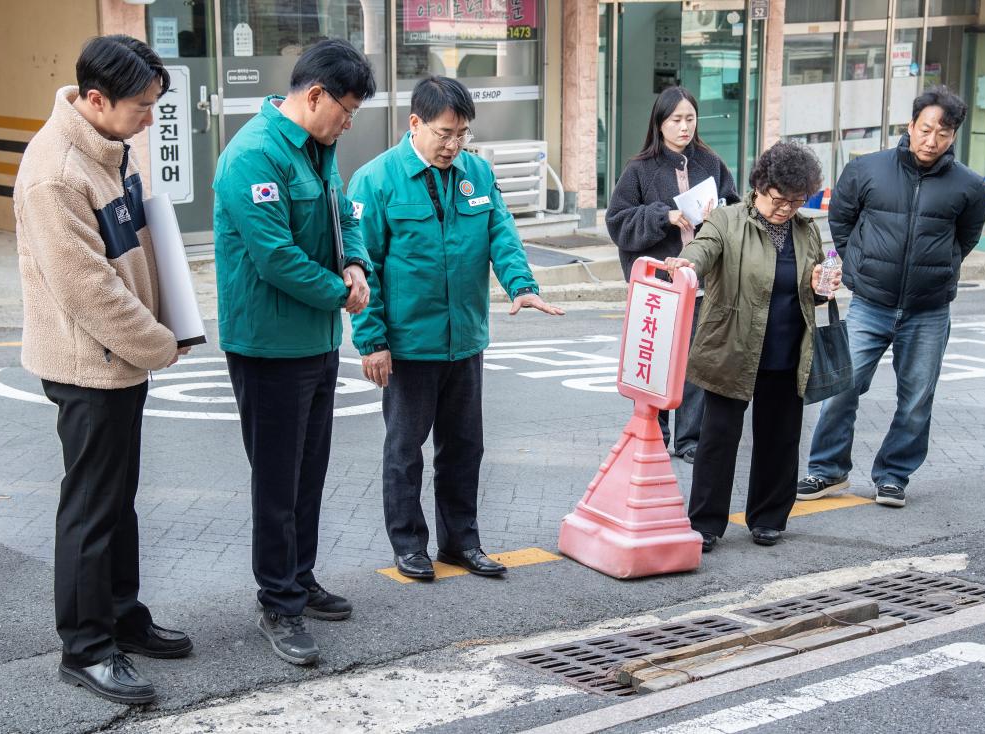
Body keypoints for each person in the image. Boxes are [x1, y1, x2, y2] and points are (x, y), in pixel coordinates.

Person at [14, 35, 193, 705]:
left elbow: (136, 246)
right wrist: (157, 341)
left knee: (118, 500)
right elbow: (88, 288)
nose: (151, 117)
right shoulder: (55, 173)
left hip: (123, 359)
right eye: (143, 106)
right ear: (96, 100)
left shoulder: (111, 147)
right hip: (88, 364)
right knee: (90, 508)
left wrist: (169, 322)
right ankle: (85, 648)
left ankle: (122, 615)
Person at [348, 76, 564, 581]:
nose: (453, 144)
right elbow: (361, 267)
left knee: (464, 449)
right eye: (445, 133)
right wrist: (372, 341)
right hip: (408, 345)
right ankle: (409, 544)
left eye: (462, 134)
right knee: (405, 451)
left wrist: (521, 285)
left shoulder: (477, 174)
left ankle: (461, 542)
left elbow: (501, 233)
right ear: (415, 124)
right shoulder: (377, 180)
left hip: (464, 340)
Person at [212, 38, 375, 666]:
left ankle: (301, 578)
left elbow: (344, 215)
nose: (349, 122)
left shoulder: (319, 147)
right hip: (268, 342)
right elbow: (276, 257)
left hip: (314, 339)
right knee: (278, 478)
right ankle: (277, 601)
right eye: (347, 109)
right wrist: (342, 291)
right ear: (314, 96)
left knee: (310, 469)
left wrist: (356, 260)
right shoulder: (252, 155)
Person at [797, 86, 985, 508]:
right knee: (841, 387)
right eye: (925, 130)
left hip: (929, 310)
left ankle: (893, 475)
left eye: (942, 133)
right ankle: (828, 471)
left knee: (917, 397)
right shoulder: (868, 169)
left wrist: (938, 271)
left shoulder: (971, 187)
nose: (931, 140)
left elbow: (966, 238)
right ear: (910, 125)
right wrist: (858, 262)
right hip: (870, 303)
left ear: (953, 136)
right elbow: (842, 219)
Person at [664, 141, 837, 552]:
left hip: (786, 349)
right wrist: (687, 263)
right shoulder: (727, 220)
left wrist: (822, 288)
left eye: (796, 201)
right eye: (779, 200)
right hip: (732, 346)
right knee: (717, 440)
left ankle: (769, 517)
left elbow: (813, 291)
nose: (786, 209)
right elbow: (703, 249)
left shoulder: (807, 231)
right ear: (760, 186)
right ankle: (705, 522)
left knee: (779, 438)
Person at [607, 87, 738, 465]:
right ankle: (654, 430)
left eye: (690, 119)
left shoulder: (711, 162)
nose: (683, 127)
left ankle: (690, 438)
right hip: (659, 284)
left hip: (701, 281)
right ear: (659, 123)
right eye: (675, 120)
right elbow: (617, 221)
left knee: (696, 360)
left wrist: (721, 213)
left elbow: (734, 205)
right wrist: (662, 215)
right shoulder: (640, 169)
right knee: (656, 358)